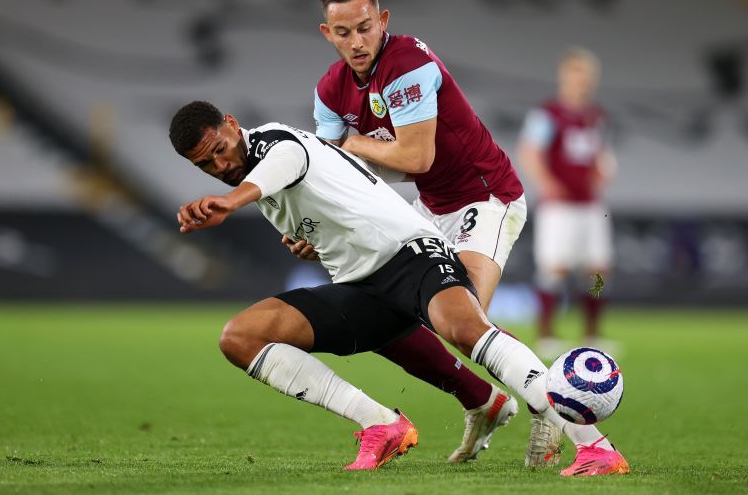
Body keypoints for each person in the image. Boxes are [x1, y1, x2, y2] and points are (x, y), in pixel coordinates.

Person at [169, 100, 629, 476]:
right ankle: (383, 425)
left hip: (409, 254)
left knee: (465, 329)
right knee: (240, 337)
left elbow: (284, 163)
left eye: (221, 149)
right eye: (204, 164)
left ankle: (595, 447)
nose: (220, 164)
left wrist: (227, 202)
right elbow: (319, 203)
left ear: (232, 124)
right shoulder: (258, 181)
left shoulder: (274, 142)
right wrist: (310, 242)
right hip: (360, 284)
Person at [292, 0, 555, 465]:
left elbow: (415, 155)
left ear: (383, 21)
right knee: (400, 309)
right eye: (343, 32)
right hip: (429, 206)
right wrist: (315, 226)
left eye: (365, 28)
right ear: (327, 33)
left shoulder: (408, 64)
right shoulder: (331, 89)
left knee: (465, 320)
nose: (356, 42)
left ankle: (554, 411)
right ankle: (482, 400)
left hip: (486, 196)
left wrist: (347, 145)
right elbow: (332, 174)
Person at [518, 47, 617, 361]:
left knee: (598, 269)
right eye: (575, 74)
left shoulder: (596, 116)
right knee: (554, 267)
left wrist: (604, 171)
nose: (580, 81)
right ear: (564, 77)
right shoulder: (548, 114)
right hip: (558, 207)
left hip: (590, 205)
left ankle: (593, 333)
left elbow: (602, 154)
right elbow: (529, 150)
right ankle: (546, 334)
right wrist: (546, 182)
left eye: (585, 75)